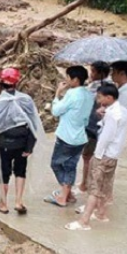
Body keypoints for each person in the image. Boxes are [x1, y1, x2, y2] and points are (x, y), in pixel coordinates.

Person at [66, 84, 127, 230]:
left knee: (94, 188)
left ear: (109, 97)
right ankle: (101, 213)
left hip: (104, 154)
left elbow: (106, 137)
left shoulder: (112, 115)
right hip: (113, 155)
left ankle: (84, 221)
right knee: (105, 186)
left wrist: (97, 156)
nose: (98, 99)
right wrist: (104, 116)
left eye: (100, 97)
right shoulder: (122, 111)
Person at [0, 68, 44, 215]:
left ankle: (3, 204)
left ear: (1, 83)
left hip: (4, 143)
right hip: (23, 142)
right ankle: (19, 201)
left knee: (4, 172)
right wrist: (30, 146)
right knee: (20, 170)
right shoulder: (26, 99)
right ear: (17, 82)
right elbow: (33, 123)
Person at [44, 66, 93, 207]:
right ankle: (68, 194)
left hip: (66, 136)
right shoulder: (89, 95)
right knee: (70, 166)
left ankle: (63, 196)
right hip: (81, 137)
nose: (66, 80)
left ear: (76, 80)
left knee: (56, 164)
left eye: (68, 77)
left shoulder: (72, 94)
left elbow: (56, 111)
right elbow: (85, 119)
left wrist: (57, 94)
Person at [78, 61, 113, 194]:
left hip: (94, 127)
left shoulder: (98, 89)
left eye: (93, 71)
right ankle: (87, 183)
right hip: (99, 128)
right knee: (95, 157)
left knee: (88, 156)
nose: (91, 74)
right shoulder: (110, 87)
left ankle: (85, 184)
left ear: (100, 73)